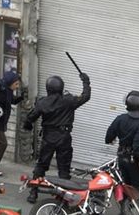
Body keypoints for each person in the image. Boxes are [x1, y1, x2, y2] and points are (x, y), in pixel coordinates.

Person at [24, 73, 91, 203]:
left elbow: (30, 117)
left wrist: (28, 127)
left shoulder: (42, 102)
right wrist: (86, 82)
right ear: (61, 87)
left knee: (41, 165)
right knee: (64, 168)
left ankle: (33, 193)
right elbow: (85, 96)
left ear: (48, 88)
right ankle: (63, 197)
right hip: (64, 138)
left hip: (48, 138)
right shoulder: (69, 100)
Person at [105, 91, 139, 195]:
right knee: (136, 187)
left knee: (124, 183)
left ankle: (123, 207)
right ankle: (132, 207)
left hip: (121, 157)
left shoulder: (120, 118)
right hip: (134, 160)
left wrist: (111, 140)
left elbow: (109, 135)